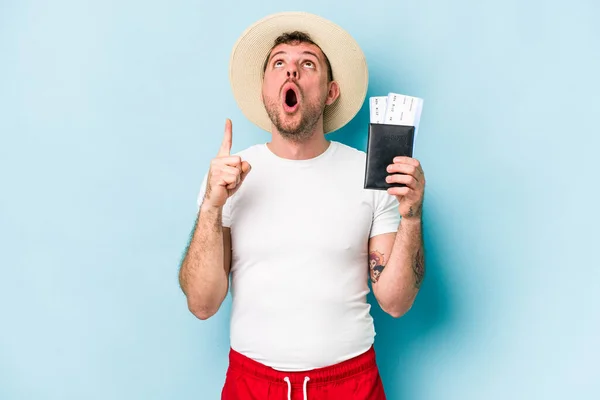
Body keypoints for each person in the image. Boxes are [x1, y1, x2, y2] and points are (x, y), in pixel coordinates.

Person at [178, 11, 426, 400]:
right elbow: (202, 304)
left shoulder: (370, 173)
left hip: (351, 385)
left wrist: (411, 214)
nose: (290, 72)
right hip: (253, 385)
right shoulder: (226, 178)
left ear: (330, 92)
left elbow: (395, 302)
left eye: (307, 64)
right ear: (265, 89)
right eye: (279, 63)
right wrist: (211, 207)